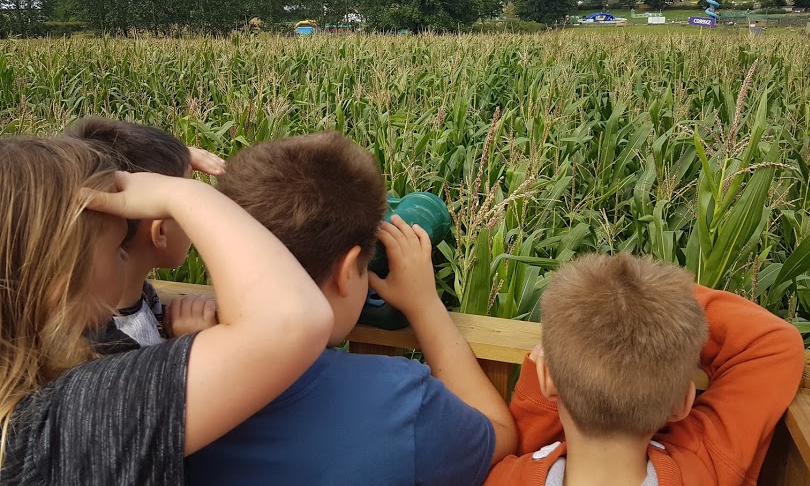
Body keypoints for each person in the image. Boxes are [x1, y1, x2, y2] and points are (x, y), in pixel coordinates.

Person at [186, 132, 517, 485]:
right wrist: (425, 306)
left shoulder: (170, 381)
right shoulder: (404, 405)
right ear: (347, 272)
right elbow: (500, 436)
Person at [0, 136, 333, 485]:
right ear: (62, 284)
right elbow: (293, 320)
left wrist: (166, 158)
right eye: (117, 249)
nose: (126, 255)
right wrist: (184, 195)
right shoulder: (70, 422)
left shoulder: (30, 410)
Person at [485, 253, 805, 486]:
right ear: (682, 402)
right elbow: (772, 343)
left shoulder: (503, 476)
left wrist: (600, 297)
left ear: (546, 379)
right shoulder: (704, 468)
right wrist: (655, 299)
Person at [63, 115, 225, 351]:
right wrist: (192, 347)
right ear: (160, 231)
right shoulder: (113, 349)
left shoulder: (120, 296)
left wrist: (170, 160)